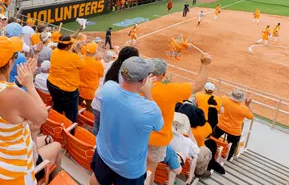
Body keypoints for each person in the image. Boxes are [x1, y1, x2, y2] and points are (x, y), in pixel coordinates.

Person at [0, 36, 48, 185]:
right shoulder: (14, 95)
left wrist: (18, 83)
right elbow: (42, 117)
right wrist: (29, 85)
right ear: (10, 62)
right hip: (13, 171)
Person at [90, 57, 163, 185]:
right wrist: (148, 94)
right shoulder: (151, 109)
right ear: (144, 80)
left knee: (97, 178)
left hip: (104, 154)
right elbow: (159, 126)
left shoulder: (108, 88)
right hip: (129, 169)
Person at [146, 54, 212, 184]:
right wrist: (204, 65)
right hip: (156, 140)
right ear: (164, 74)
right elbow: (197, 85)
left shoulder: (133, 84)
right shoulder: (168, 90)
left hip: (135, 134)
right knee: (149, 172)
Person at [92, 47, 139, 136]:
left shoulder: (111, 64)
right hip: (108, 108)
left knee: (96, 127)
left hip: (98, 103)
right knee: (106, 132)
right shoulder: (128, 74)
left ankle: (92, 144)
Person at [47, 35, 85, 123]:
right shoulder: (74, 57)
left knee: (57, 106)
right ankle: (70, 131)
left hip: (52, 84)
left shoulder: (55, 51)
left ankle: (57, 122)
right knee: (71, 114)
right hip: (68, 90)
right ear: (68, 46)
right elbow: (82, 64)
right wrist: (78, 52)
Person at [212, 89, 254, 161]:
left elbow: (219, 102)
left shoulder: (224, 99)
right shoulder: (244, 108)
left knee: (212, 138)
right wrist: (247, 105)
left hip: (221, 126)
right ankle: (229, 157)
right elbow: (251, 116)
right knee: (233, 145)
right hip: (234, 131)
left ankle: (210, 149)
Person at [78, 42, 104, 112]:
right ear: (95, 52)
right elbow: (101, 75)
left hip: (78, 88)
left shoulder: (80, 58)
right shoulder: (98, 64)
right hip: (90, 92)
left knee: (77, 105)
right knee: (90, 109)